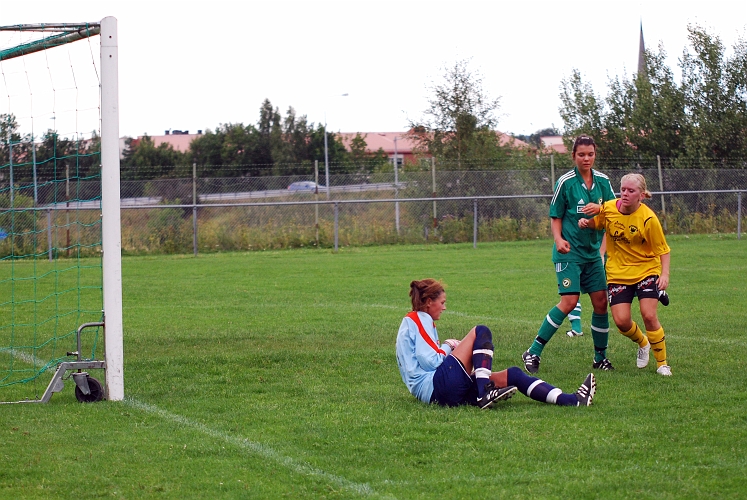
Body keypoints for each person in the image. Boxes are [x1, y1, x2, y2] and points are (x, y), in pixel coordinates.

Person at [396, 279, 596, 409]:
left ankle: (572, 400)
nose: (445, 307)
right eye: (442, 302)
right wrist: (449, 345)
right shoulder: (417, 319)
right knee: (480, 331)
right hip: (435, 388)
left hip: (439, 393)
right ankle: (485, 393)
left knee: (513, 374)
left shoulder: (420, 321)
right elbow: (431, 361)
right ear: (429, 301)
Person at [522, 135, 616, 374]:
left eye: (590, 154)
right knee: (569, 301)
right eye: (581, 154)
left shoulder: (604, 182)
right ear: (573, 156)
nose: (586, 158)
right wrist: (559, 239)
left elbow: (616, 212)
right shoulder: (565, 182)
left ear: (595, 155)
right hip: (569, 253)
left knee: (601, 303)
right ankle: (533, 351)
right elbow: (555, 216)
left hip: (593, 254)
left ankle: (600, 357)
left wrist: (601, 209)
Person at [579, 173, 673, 375]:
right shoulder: (610, 208)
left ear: (641, 194)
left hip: (646, 270)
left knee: (649, 315)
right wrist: (588, 223)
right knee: (621, 322)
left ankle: (662, 364)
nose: (625, 194)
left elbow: (663, 250)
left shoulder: (648, 219)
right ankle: (643, 342)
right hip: (618, 274)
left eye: (631, 191)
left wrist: (664, 275)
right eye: (623, 190)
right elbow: (600, 222)